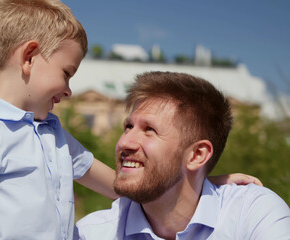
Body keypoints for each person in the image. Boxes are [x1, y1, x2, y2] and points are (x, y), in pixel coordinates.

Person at [0, 1, 261, 239]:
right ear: (29, 57)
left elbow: (123, 187)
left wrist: (198, 180)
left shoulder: (54, 135)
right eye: (66, 74)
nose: (68, 90)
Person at [74, 72, 290, 240]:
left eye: (149, 129)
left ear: (197, 155)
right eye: (128, 127)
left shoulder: (252, 214)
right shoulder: (92, 233)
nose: (123, 142)